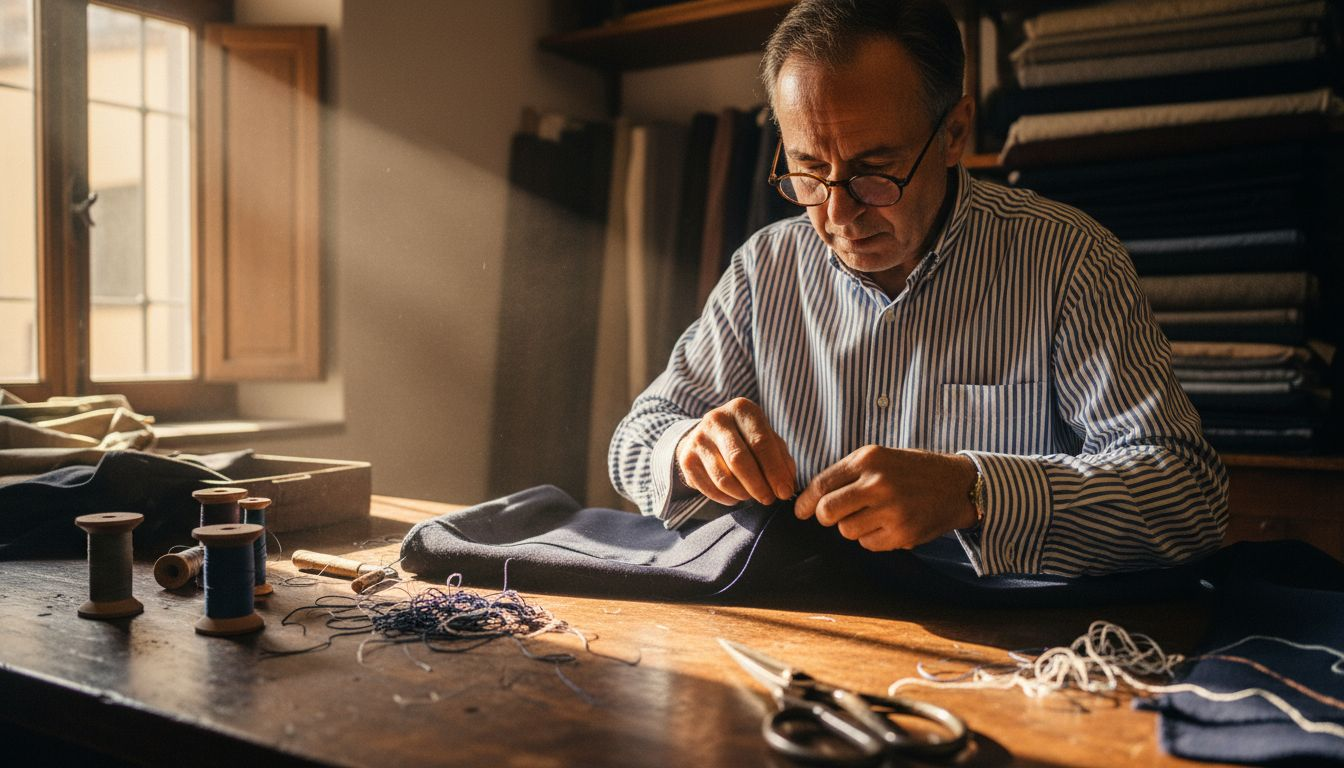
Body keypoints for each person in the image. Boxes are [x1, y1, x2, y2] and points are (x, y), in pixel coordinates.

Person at [608, 0, 1228, 577]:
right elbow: (635, 438)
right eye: (809, 170)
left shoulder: (1067, 261)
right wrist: (689, 445)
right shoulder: (764, 269)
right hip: (803, 633)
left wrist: (973, 492)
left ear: (954, 132)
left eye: (875, 171)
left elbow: (1187, 495)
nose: (838, 213)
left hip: (1006, 655)